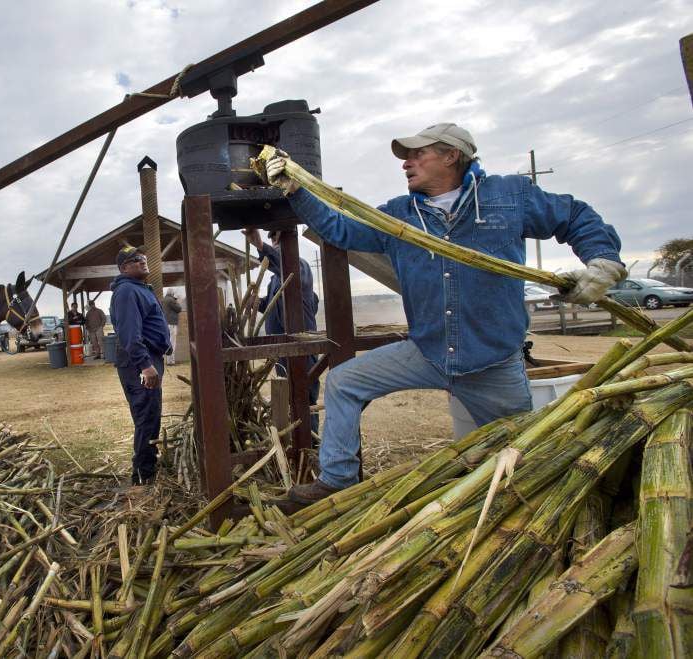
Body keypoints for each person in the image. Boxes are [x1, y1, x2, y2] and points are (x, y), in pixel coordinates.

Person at [265, 122, 626, 504]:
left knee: (520, 454)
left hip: (493, 362)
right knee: (343, 381)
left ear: (452, 155)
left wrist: (602, 261)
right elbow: (341, 229)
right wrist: (297, 189)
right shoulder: (399, 216)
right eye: (406, 157)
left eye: (418, 154)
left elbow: (575, 215)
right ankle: (337, 482)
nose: (407, 163)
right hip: (428, 352)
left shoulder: (507, 196)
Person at [242, 227, 321, 433]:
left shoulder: (300, 267)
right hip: (282, 348)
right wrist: (256, 302)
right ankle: (295, 437)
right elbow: (270, 304)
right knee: (288, 396)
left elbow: (285, 265)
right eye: (273, 241)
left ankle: (309, 441)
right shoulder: (275, 279)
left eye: (277, 239)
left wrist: (260, 246)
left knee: (304, 397)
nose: (274, 244)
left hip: (300, 346)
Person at [110, 246, 172, 485]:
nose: (143, 262)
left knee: (150, 414)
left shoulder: (138, 289)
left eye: (144, 258)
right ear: (124, 268)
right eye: (136, 260)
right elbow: (129, 334)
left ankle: (147, 467)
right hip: (139, 361)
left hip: (149, 357)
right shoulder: (126, 291)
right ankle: (142, 475)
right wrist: (145, 365)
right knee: (146, 415)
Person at [161, 290, 183, 365]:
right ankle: (171, 361)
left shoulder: (163, 300)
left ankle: (168, 361)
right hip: (172, 323)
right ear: (172, 294)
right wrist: (177, 301)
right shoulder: (171, 300)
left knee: (168, 341)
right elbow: (179, 309)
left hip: (166, 323)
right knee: (172, 342)